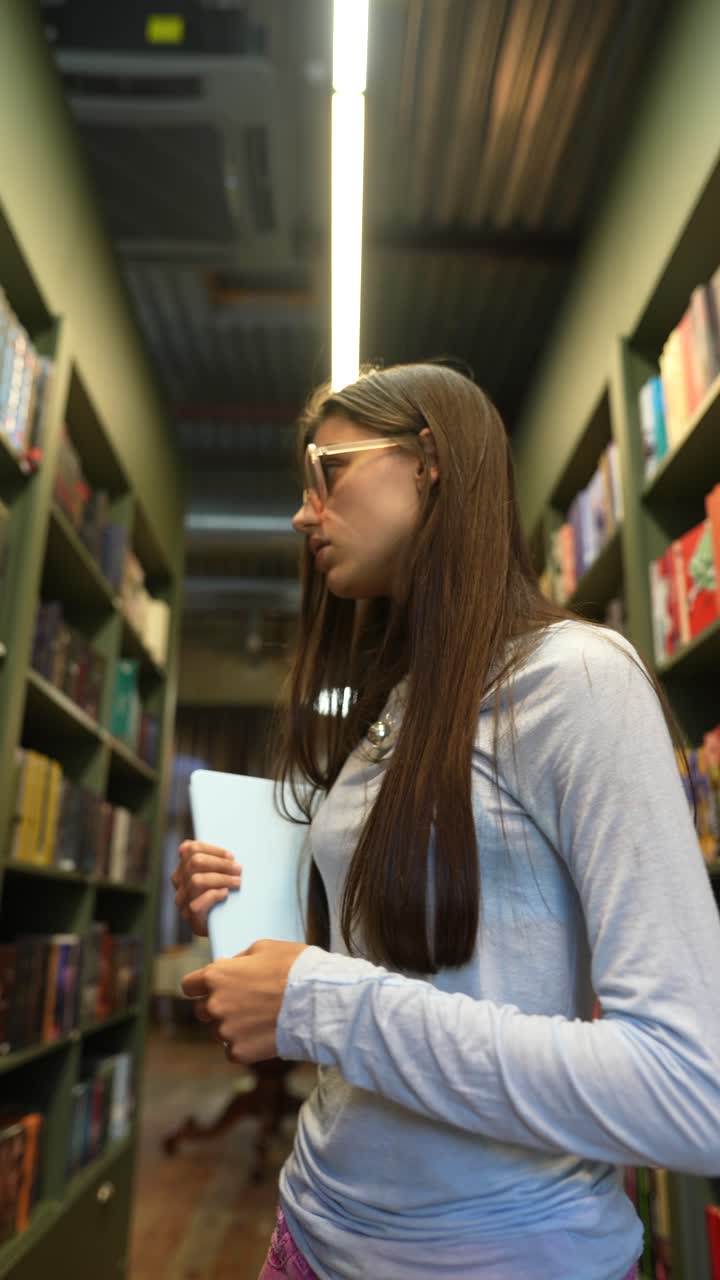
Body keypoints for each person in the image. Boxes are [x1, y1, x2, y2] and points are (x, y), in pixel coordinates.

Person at [172, 363, 720, 1280]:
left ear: (428, 461)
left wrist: (316, 1000)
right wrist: (254, 917)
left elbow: (690, 1092)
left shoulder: (576, 679)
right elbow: (403, 957)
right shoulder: (392, 706)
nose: (304, 515)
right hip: (311, 1229)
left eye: (327, 471)